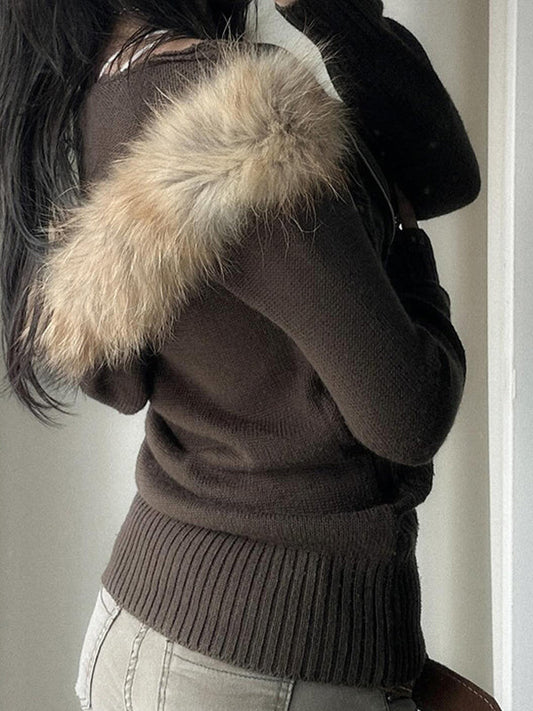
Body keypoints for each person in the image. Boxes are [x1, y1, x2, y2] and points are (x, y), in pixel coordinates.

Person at [0, 1, 480, 709]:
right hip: (262, 662)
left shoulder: (88, 98)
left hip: (158, 627)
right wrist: (409, 257)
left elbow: (443, 174)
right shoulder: (244, 114)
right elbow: (409, 413)